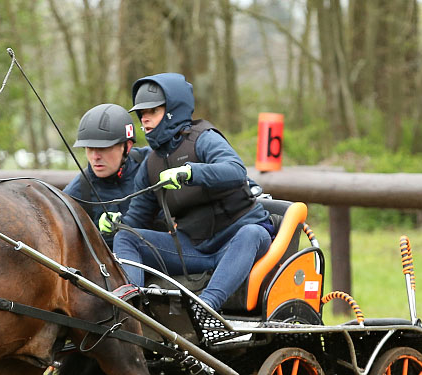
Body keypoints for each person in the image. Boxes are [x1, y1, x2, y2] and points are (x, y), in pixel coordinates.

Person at [100, 73, 272, 312]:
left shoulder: (204, 139)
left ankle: (206, 310)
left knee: (253, 233)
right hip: (194, 249)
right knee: (127, 237)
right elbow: (137, 220)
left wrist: (190, 173)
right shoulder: (151, 164)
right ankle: (130, 310)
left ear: (173, 110)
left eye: (153, 112)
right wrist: (115, 226)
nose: (145, 119)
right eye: (141, 114)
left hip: (238, 240)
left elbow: (235, 170)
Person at [63, 103, 148, 248]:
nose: (95, 157)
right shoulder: (76, 193)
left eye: (103, 148)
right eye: (89, 148)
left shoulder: (150, 163)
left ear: (127, 146)